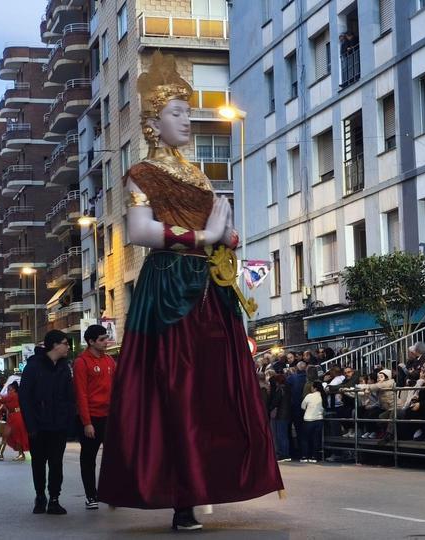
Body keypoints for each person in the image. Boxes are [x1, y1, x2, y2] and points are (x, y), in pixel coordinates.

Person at [97, 54, 283, 533]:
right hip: (172, 288)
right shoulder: (142, 173)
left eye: (186, 110)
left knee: (214, 390)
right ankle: (181, 495)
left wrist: (228, 237)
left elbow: (222, 229)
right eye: (176, 112)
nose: (187, 119)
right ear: (154, 123)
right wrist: (205, 237)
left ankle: (210, 480)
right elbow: (140, 231)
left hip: (209, 287)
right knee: (175, 390)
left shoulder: (198, 174)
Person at [20, 330, 76, 515]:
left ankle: (54, 499)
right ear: (54, 345)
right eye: (65, 343)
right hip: (38, 425)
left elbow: (70, 396)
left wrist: (68, 420)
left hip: (58, 425)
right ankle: (40, 496)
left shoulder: (64, 367)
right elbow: (25, 398)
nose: (68, 347)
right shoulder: (33, 367)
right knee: (38, 463)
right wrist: (31, 425)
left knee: (56, 463)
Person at [72, 324, 117, 510]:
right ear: (91, 342)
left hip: (109, 417)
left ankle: (112, 493)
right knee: (88, 458)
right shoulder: (81, 362)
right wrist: (87, 422)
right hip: (91, 418)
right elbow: (81, 394)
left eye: (106, 338)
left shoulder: (109, 361)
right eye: (102, 339)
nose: (106, 342)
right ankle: (91, 495)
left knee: (112, 458)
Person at [0, 381, 29, 462]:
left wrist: (0, 396)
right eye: (8, 389)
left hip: (17, 417)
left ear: (14, 390)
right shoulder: (10, 396)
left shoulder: (15, 395)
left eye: (9, 389)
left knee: (17, 436)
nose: (8, 391)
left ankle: (21, 454)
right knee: (5, 435)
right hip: (11, 417)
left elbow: (4, 399)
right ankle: (0, 454)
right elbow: (3, 405)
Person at [299, 381, 326, 463]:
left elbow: (302, 406)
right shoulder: (323, 396)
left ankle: (305, 456)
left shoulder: (309, 396)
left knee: (305, 439)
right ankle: (314, 457)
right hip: (319, 419)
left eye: (312, 387)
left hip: (308, 419)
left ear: (315, 388)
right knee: (316, 439)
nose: (311, 388)